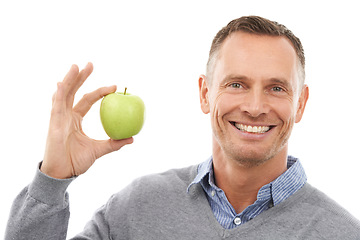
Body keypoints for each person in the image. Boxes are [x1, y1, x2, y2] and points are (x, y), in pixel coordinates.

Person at [5, 15, 360, 240]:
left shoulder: (341, 233)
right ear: (205, 94)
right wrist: (52, 180)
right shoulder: (137, 207)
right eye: (236, 84)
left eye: (277, 88)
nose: (254, 107)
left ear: (300, 104)